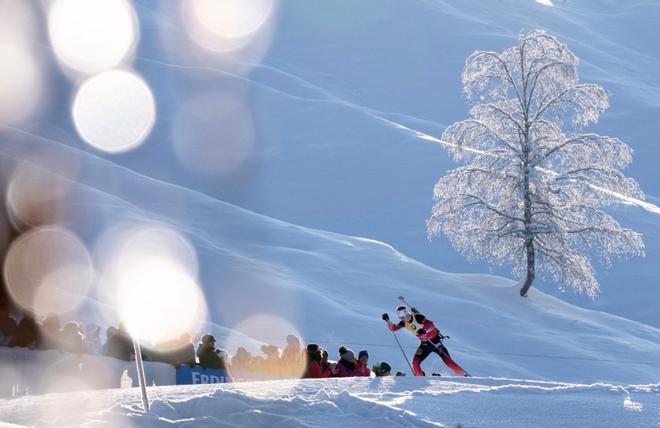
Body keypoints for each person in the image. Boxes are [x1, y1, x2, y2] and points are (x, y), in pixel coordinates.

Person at [382, 305, 469, 377]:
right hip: (425, 344)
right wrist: (387, 321)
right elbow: (393, 328)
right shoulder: (403, 323)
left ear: (408, 313)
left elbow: (431, 325)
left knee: (448, 361)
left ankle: (463, 376)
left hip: (435, 341)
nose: (406, 319)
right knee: (415, 363)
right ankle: (421, 379)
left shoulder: (417, 317)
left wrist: (424, 330)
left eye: (406, 316)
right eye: (403, 318)